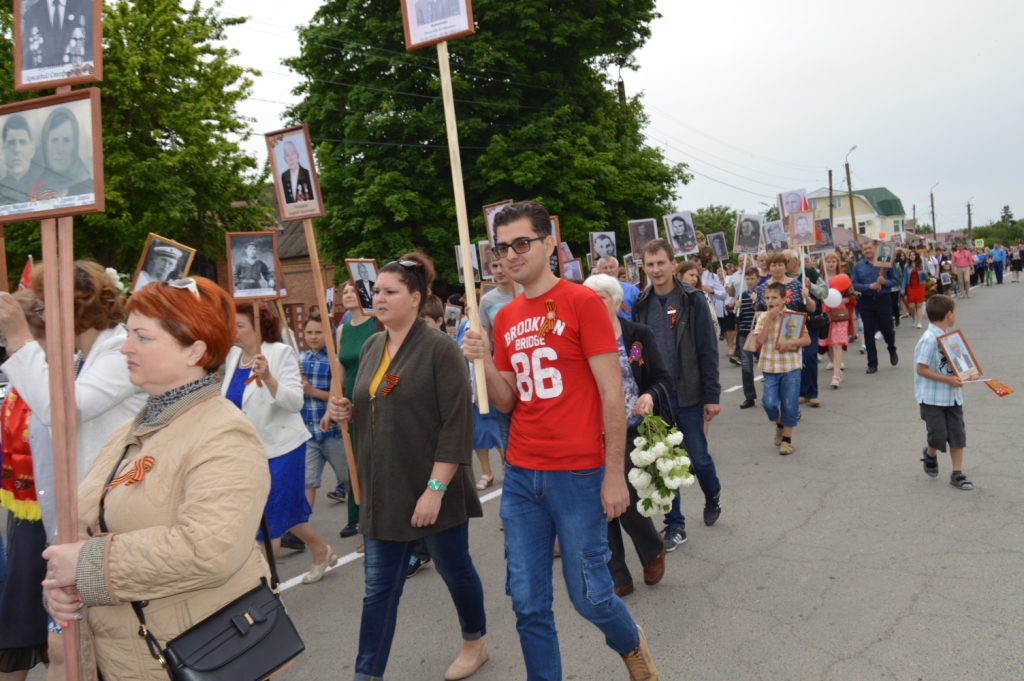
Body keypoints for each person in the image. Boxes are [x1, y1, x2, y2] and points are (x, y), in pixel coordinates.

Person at [462, 201, 659, 680]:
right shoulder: (504, 317)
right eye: (501, 247)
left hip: (579, 473)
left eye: (521, 243)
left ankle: (630, 641)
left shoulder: (582, 302)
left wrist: (614, 475)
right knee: (527, 601)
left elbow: (612, 394)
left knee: (590, 596)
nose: (511, 254)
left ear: (549, 243)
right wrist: (483, 359)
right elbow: (507, 400)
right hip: (521, 474)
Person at [41, 277, 272, 680]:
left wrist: (85, 564)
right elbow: (88, 524)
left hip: (188, 659)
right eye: (128, 334)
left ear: (194, 350)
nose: (125, 348)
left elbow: (209, 550)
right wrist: (64, 586)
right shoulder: (129, 431)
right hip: (124, 658)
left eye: (142, 337)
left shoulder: (225, 433)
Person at [328, 253, 489, 681]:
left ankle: (474, 641)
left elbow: (457, 424)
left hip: (432, 488)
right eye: (376, 291)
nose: (378, 298)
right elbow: (376, 404)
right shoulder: (371, 346)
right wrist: (346, 410)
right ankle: (367, 674)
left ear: (416, 298)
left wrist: (434, 491)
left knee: (456, 571)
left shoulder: (440, 349)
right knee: (379, 590)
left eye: (390, 291)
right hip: (384, 490)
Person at [222, 301, 337, 584]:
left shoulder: (279, 353)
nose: (233, 331)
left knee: (269, 520)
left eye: (240, 325)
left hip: (283, 447)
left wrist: (268, 378)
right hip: (249, 451)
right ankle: (320, 550)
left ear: (258, 327)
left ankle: (267, 587)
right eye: (231, 325)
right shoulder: (233, 356)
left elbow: (295, 401)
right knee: (284, 510)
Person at [2, 262, 146, 479]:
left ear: (71, 309)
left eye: (43, 309)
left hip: (115, 489)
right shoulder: (82, 357)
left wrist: (19, 338)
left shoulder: (121, 355)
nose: (43, 319)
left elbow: (59, 412)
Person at [633, 239, 722, 553]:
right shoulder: (640, 303)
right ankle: (675, 525)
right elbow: (637, 350)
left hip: (689, 392)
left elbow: (708, 349)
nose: (656, 270)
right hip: (656, 396)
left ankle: (713, 494)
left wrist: (712, 394)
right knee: (666, 463)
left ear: (673, 264)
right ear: (643, 267)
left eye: (661, 263)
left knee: (697, 458)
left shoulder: (692, 299)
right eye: (650, 264)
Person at [582, 274, 668, 598]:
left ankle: (652, 548)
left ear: (618, 303)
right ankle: (617, 574)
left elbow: (661, 378)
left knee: (626, 499)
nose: (593, 304)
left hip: (631, 428)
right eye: (588, 299)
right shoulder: (578, 339)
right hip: (592, 433)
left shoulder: (637, 335)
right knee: (600, 506)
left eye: (600, 298)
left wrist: (649, 395)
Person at [0, 292, 51, 680]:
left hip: (52, 512)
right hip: (24, 510)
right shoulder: (20, 375)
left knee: (52, 633)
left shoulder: (53, 375)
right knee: (21, 617)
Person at [283, 312, 349, 552]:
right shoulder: (298, 359)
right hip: (308, 433)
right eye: (309, 332)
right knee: (307, 482)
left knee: (349, 479)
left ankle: (362, 517)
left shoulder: (335, 360)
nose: (313, 336)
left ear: (329, 334)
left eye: (318, 332)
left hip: (332, 433)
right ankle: (299, 531)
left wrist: (311, 391)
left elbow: (337, 394)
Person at [331, 280, 381, 539]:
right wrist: (332, 403)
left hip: (376, 398)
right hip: (349, 402)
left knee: (374, 458)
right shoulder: (342, 330)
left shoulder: (377, 324)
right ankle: (357, 517)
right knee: (354, 459)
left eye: (353, 290)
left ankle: (375, 518)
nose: (348, 294)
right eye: (345, 291)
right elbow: (340, 370)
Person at [915, 295, 972, 490]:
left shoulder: (950, 338)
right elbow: (921, 369)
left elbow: (960, 363)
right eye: (955, 311)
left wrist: (967, 374)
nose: (955, 315)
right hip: (932, 397)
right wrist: (948, 379)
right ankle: (930, 454)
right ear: (949, 314)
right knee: (938, 434)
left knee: (957, 433)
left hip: (952, 397)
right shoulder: (929, 340)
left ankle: (957, 473)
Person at [753, 282, 810, 455]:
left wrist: (791, 342)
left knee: (790, 404)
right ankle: (779, 424)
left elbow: (807, 340)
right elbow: (760, 340)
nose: (770, 301)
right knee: (769, 403)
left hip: (790, 367)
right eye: (767, 298)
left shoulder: (794, 316)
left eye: (774, 297)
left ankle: (787, 440)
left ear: (784, 299)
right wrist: (769, 319)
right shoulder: (763, 317)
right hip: (770, 367)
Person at [478, 259, 517, 451]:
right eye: (494, 266)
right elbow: (484, 342)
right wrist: (480, 383)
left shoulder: (527, 294)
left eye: (502, 265)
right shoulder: (487, 301)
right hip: (502, 370)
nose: (499, 270)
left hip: (528, 368)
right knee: (506, 432)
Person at [782, 250, 823, 407]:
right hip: (791, 321)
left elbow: (824, 292)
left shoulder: (810, 273)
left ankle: (812, 393)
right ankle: (801, 391)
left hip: (810, 320)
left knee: (810, 355)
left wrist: (810, 286)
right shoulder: (783, 278)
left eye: (787, 261)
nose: (785, 264)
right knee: (795, 357)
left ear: (796, 260)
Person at [851, 241, 899, 374]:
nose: (867, 250)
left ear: (875, 249)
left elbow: (895, 280)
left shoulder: (885, 263)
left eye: (869, 248)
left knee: (888, 330)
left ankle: (891, 348)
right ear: (862, 250)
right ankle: (872, 363)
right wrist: (869, 286)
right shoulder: (858, 266)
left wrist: (885, 282)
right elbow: (854, 284)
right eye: (865, 248)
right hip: (866, 301)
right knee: (868, 332)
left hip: (883, 300)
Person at [20, 0, 93, 73]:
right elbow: (28, 65)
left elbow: (91, 52)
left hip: (77, 74)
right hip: (45, 75)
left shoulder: (86, 6)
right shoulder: (32, 14)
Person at [38, 107, 93, 200]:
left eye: (66, 140)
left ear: (75, 144)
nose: (60, 150)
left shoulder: (90, 187)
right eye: (54, 140)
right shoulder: (34, 189)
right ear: (45, 145)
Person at [819, 253, 855, 389]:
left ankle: (836, 375)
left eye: (833, 261)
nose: (831, 264)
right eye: (828, 261)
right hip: (824, 312)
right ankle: (836, 366)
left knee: (837, 343)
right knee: (828, 342)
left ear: (837, 263)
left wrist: (837, 300)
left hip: (840, 312)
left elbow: (851, 297)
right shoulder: (820, 279)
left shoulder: (844, 278)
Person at [0, 115, 44, 206]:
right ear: (3, 150)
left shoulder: (45, 188)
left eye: (22, 142)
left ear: (32, 149)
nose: (17, 149)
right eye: (11, 143)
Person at [735, 267, 759, 408]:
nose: (750, 281)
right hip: (745, 333)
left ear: (758, 279)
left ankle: (773, 394)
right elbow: (739, 317)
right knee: (746, 366)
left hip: (760, 333)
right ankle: (749, 397)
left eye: (752, 278)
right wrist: (736, 307)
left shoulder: (762, 293)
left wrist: (757, 301)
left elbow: (766, 310)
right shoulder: (742, 295)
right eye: (748, 278)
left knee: (766, 364)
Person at [597, 254, 641, 320]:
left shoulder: (632, 290)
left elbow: (641, 315)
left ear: (617, 269)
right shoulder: (594, 291)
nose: (608, 271)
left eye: (611, 267)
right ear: (599, 271)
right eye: (605, 268)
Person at [903, 251, 927, 328]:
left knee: (919, 305)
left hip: (920, 286)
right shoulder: (906, 266)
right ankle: (914, 317)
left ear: (916, 256)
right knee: (911, 305)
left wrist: (925, 273)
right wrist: (903, 288)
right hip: (910, 286)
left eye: (913, 255)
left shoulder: (921, 265)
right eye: (910, 255)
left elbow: (926, 277)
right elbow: (904, 278)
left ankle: (920, 322)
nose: (912, 256)